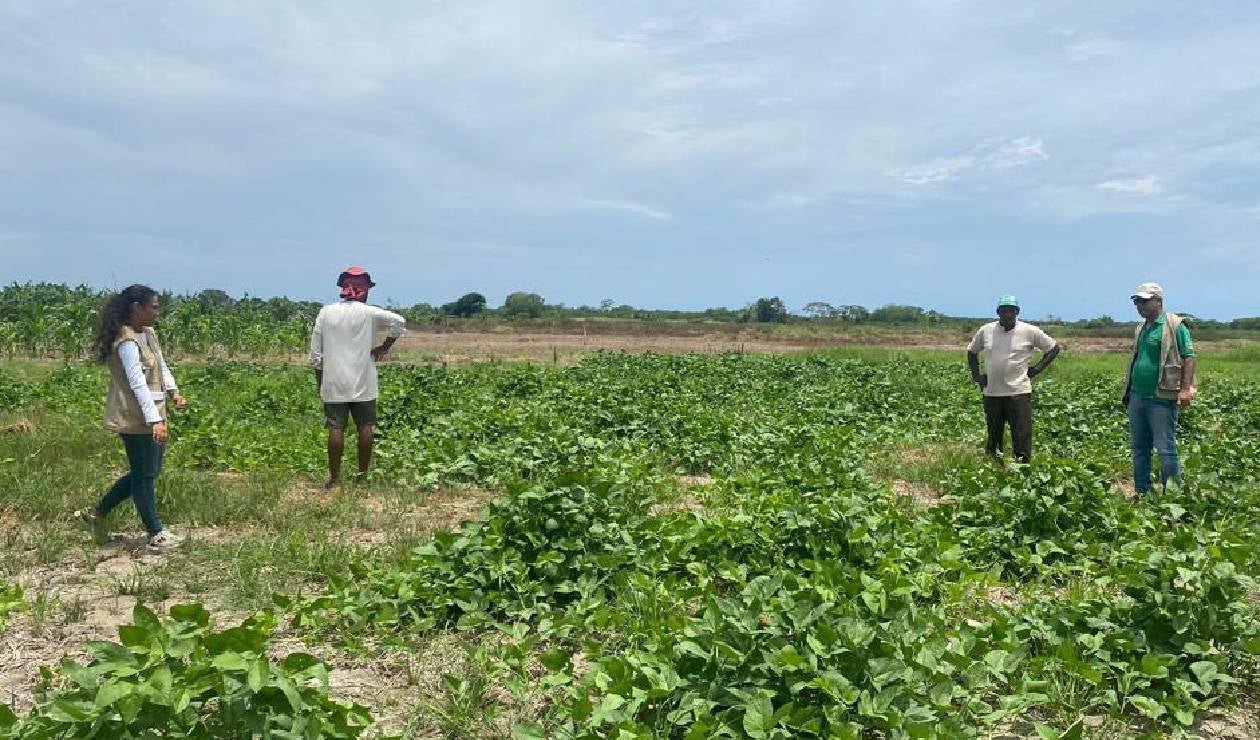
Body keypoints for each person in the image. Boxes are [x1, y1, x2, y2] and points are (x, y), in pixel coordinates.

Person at [75, 284, 187, 552]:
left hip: (153, 411)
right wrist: (154, 422)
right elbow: (137, 384)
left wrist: (173, 392)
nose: (157, 311)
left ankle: (96, 514)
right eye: (154, 307)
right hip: (134, 416)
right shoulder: (126, 341)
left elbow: (160, 365)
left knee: (147, 472)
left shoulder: (148, 334)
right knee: (145, 476)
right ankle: (156, 533)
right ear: (137, 308)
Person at [309, 266, 406, 487]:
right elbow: (399, 321)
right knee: (365, 426)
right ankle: (361, 478)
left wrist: (320, 382)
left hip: (333, 381)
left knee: (335, 428)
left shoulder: (326, 312)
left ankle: (334, 479)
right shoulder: (370, 313)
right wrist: (384, 347)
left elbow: (316, 355)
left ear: (343, 287)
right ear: (365, 290)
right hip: (364, 380)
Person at [966, 295, 1060, 462]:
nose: (1007, 314)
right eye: (1003, 311)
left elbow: (1053, 348)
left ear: (1017, 312)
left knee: (1021, 431)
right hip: (992, 392)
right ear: (998, 312)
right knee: (994, 430)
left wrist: (1037, 369)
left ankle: (1022, 465)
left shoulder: (1029, 331)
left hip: (1018, 391)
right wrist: (976, 375)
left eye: (1011, 311)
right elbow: (972, 351)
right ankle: (994, 463)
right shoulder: (986, 330)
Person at [1123, 282, 1195, 495]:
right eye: (1137, 301)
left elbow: (1188, 357)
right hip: (1137, 396)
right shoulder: (1141, 327)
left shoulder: (1174, 325)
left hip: (1161, 397)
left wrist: (1185, 389)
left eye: (1144, 301)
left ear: (1158, 301)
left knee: (1166, 449)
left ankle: (1171, 496)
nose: (1140, 305)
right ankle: (1141, 491)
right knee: (1139, 448)